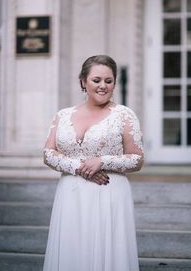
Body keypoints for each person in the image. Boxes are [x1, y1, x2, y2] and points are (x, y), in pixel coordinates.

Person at [43, 55, 144, 271]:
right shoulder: (63, 115)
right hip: (70, 195)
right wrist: (80, 168)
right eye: (96, 80)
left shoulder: (124, 116)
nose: (103, 86)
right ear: (83, 81)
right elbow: (48, 154)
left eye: (109, 81)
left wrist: (102, 161)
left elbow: (137, 159)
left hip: (108, 193)